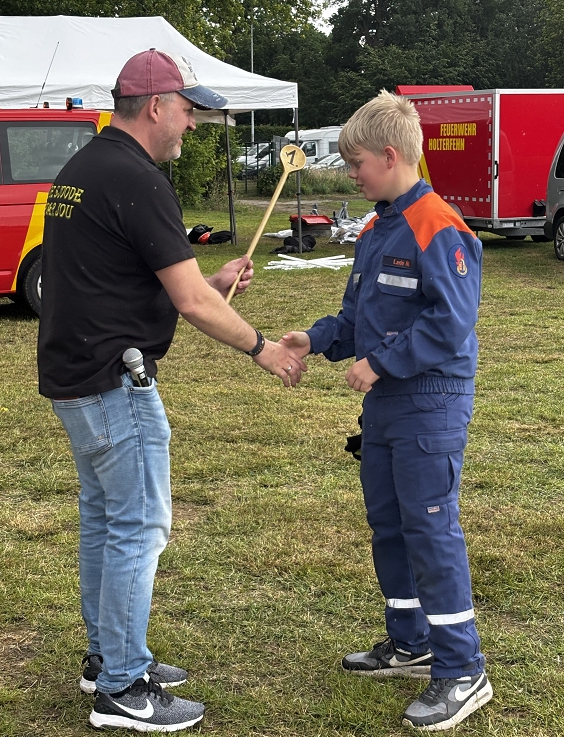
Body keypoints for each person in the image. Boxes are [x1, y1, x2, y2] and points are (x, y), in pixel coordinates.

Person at [37, 48, 306, 733]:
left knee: (106, 522)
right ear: (156, 106)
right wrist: (263, 347)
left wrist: (212, 282)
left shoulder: (83, 168)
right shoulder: (139, 179)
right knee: (138, 528)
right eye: (188, 110)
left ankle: (109, 658)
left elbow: (122, 283)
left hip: (77, 379)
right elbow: (189, 303)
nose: (192, 125)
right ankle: (123, 689)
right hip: (114, 385)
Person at [282, 90, 491, 731]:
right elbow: (357, 317)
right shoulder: (376, 229)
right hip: (386, 408)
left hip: (430, 404)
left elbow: (451, 322)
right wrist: (314, 339)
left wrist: (381, 363)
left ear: (391, 155)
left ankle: (463, 669)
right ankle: (411, 641)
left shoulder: (440, 226)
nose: (351, 174)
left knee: (430, 530)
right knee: (390, 525)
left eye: (357, 164)